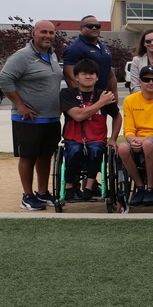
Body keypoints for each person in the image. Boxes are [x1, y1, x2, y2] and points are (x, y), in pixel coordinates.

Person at [0, 20, 65, 210]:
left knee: (45, 156)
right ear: (33, 34)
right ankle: (27, 196)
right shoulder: (23, 56)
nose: (48, 36)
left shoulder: (51, 55)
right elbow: (4, 79)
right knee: (28, 157)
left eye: (51, 33)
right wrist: (20, 105)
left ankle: (42, 192)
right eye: (43, 32)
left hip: (51, 117)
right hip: (28, 119)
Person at [59, 58, 121, 202]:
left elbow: (117, 117)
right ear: (76, 77)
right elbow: (78, 116)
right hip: (73, 138)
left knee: (96, 151)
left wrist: (113, 139)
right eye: (84, 73)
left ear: (97, 77)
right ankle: (68, 188)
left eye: (92, 74)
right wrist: (101, 102)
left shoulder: (104, 94)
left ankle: (89, 188)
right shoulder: (67, 94)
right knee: (74, 151)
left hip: (96, 138)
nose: (88, 76)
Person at [117, 64, 153, 207]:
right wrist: (133, 140)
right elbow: (128, 129)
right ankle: (139, 187)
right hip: (138, 139)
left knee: (148, 144)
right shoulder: (130, 101)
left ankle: (151, 188)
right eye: (146, 79)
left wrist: (143, 140)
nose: (151, 82)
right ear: (140, 81)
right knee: (123, 149)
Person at [62, 15, 118, 98]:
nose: (94, 28)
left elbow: (109, 74)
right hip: (87, 101)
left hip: (104, 98)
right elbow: (71, 78)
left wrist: (114, 94)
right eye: (90, 26)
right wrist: (83, 101)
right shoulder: (75, 49)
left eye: (97, 26)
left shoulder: (104, 48)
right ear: (81, 29)